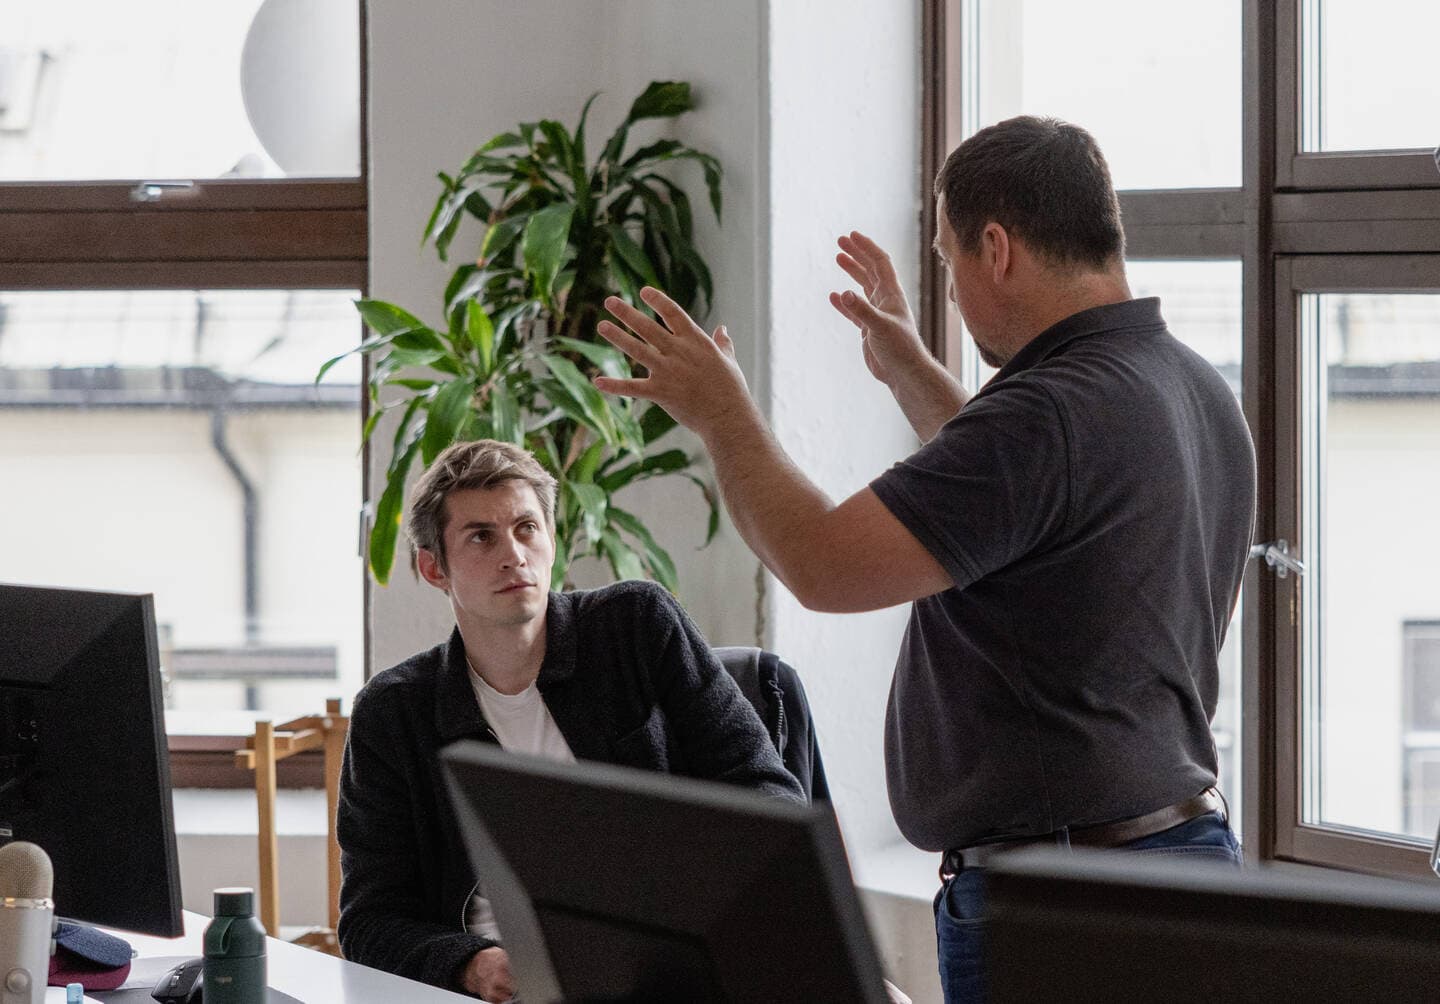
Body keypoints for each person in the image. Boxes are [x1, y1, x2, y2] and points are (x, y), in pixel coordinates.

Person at [592, 115, 1256, 1003]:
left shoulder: (1044, 415)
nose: (947, 290)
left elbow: (820, 565)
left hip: (1057, 908)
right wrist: (910, 369)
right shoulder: (1192, 388)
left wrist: (722, 413)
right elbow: (1026, 518)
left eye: (947, 262)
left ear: (997, 247)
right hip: (1182, 866)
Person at [336, 439, 804, 1001]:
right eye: (482, 536)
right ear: (434, 567)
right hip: (509, 989)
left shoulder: (635, 626)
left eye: (527, 528)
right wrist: (474, 965)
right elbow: (371, 921)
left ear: (551, 538)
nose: (514, 555)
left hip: (672, 968)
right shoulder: (394, 711)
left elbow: (769, 800)